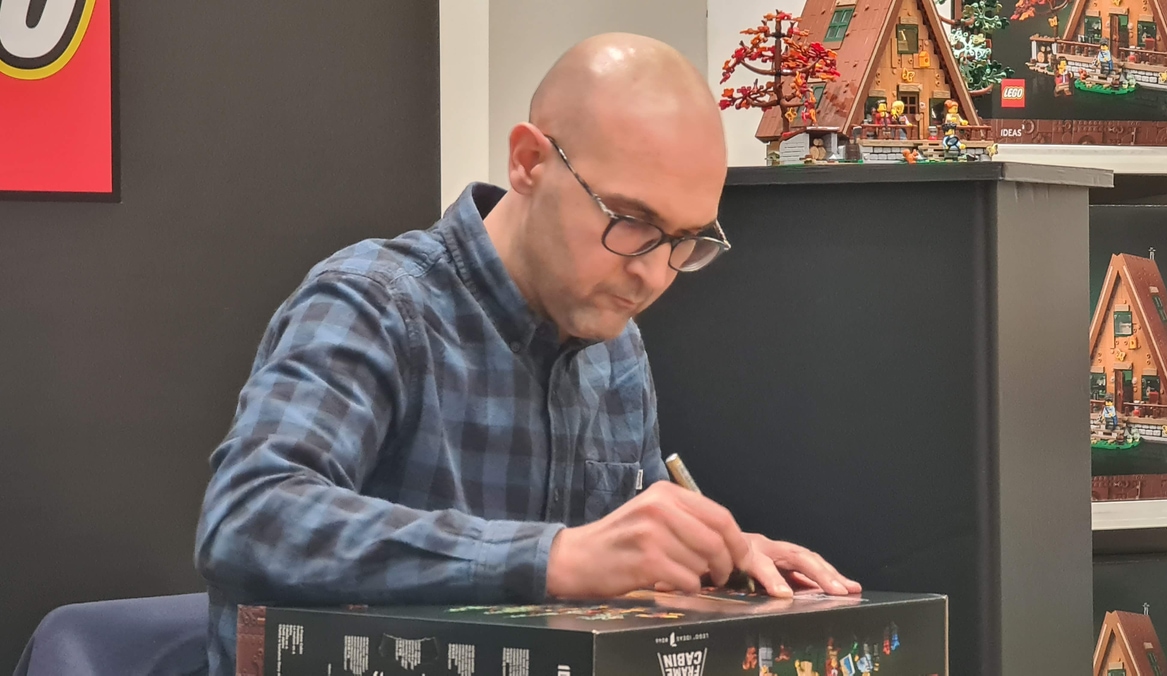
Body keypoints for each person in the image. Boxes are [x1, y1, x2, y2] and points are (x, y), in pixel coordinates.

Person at [193, 32, 860, 676]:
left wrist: (716, 561)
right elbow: (250, 518)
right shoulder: (376, 303)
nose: (653, 274)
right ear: (529, 162)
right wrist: (555, 559)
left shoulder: (616, 350)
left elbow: (628, 562)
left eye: (685, 241)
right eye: (630, 221)